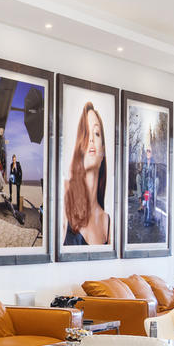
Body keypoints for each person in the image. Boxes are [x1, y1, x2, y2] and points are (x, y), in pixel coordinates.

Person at [62, 101, 110, 247]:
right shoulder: (64, 193)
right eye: (86, 133)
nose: (91, 139)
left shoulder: (106, 221)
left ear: (103, 152)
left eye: (96, 133)